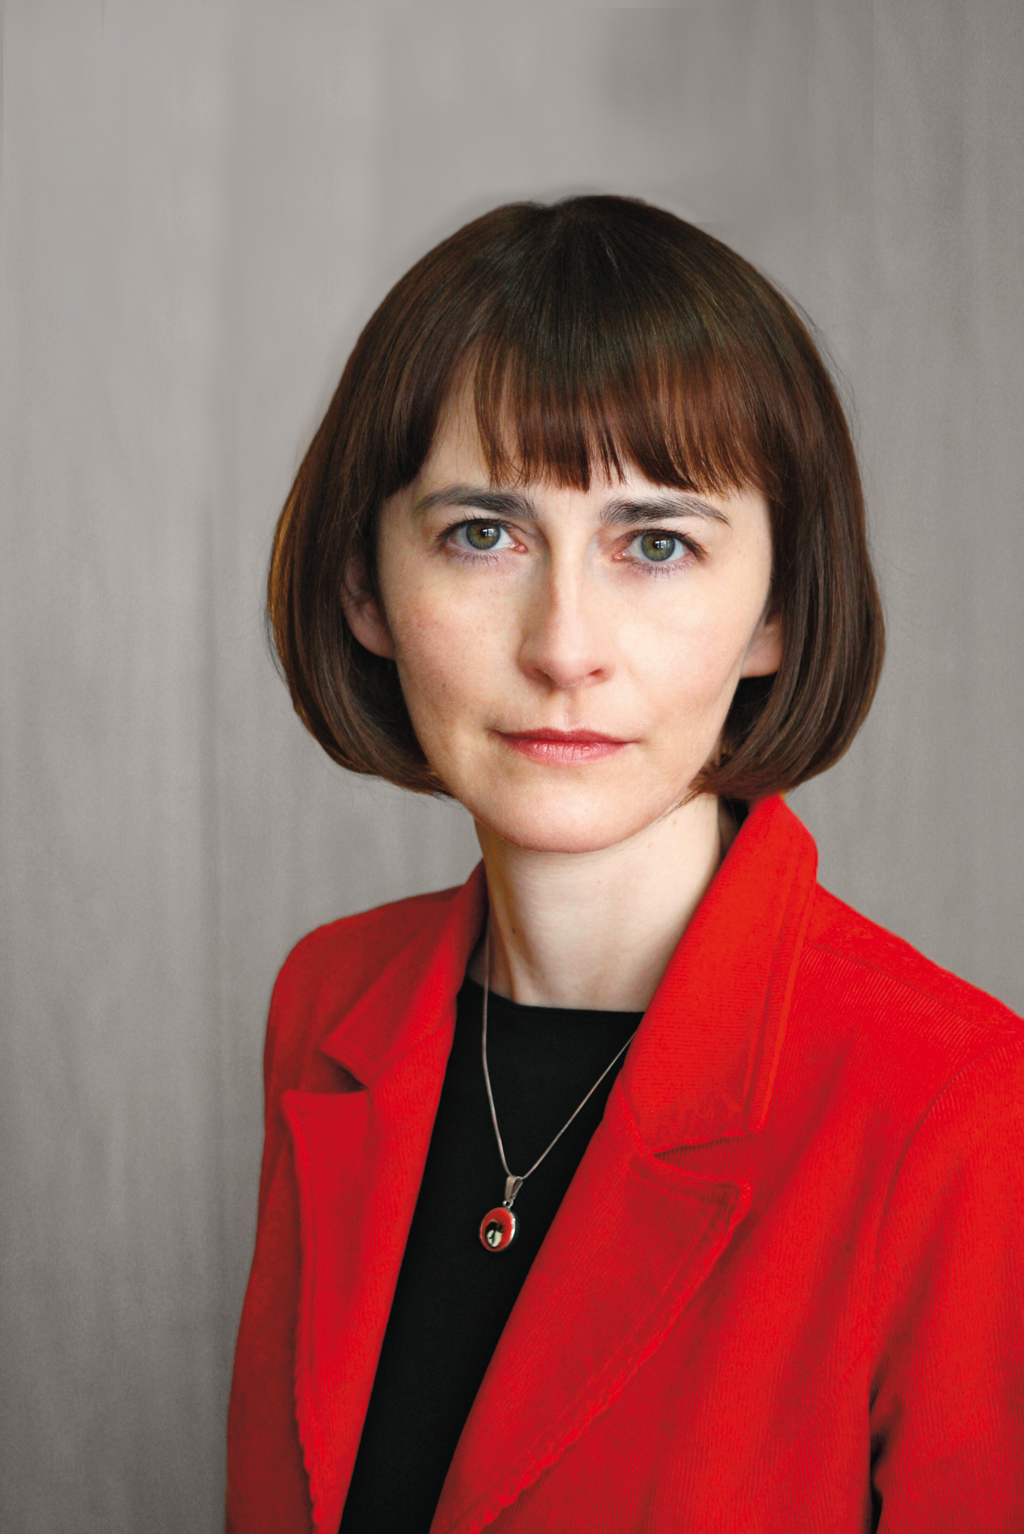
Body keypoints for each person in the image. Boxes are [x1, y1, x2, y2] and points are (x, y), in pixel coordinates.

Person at [226, 197, 1023, 1534]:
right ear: (366, 587)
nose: (564, 646)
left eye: (656, 544)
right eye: (484, 532)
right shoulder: (329, 1000)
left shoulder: (958, 1108)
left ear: (777, 612)